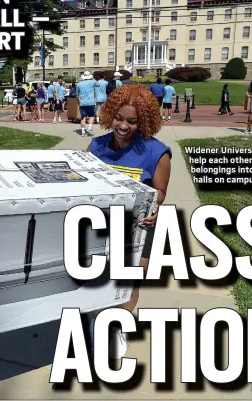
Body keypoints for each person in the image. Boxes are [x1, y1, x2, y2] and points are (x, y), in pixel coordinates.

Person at [86, 84, 171, 359]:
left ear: (143, 122)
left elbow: (160, 192)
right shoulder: (96, 145)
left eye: (132, 121)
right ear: (110, 114)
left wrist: (154, 206)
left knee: (131, 281)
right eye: (119, 118)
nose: (124, 126)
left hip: (141, 227)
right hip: (100, 224)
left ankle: (117, 325)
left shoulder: (157, 152)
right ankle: (98, 316)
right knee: (98, 278)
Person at [76, 71, 97, 137]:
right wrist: (93, 78)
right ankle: (89, 128)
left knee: (83, 117)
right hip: (91, 102)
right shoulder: (92, 82)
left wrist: (78, 102)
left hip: (82, 102)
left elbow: (77, 94)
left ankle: (83, 131)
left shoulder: (79, 84)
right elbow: (98, 84)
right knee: (92, 115)